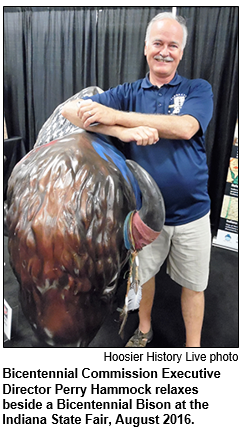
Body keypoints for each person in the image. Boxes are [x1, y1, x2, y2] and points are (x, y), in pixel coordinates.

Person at [62, 12, 214, 348]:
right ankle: (144, 328)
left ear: (182, 52)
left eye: (173, 45)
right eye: (158, 43)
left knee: (195, 285)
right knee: (143, 279)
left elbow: (186, 127)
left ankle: (194, 349)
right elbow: (69, 111)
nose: (165, 51)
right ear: (146, 47)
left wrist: (114, 115)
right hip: (144, 216)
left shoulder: (196, 89)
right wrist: (123, 130)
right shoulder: (129, 92)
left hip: (193, 214)